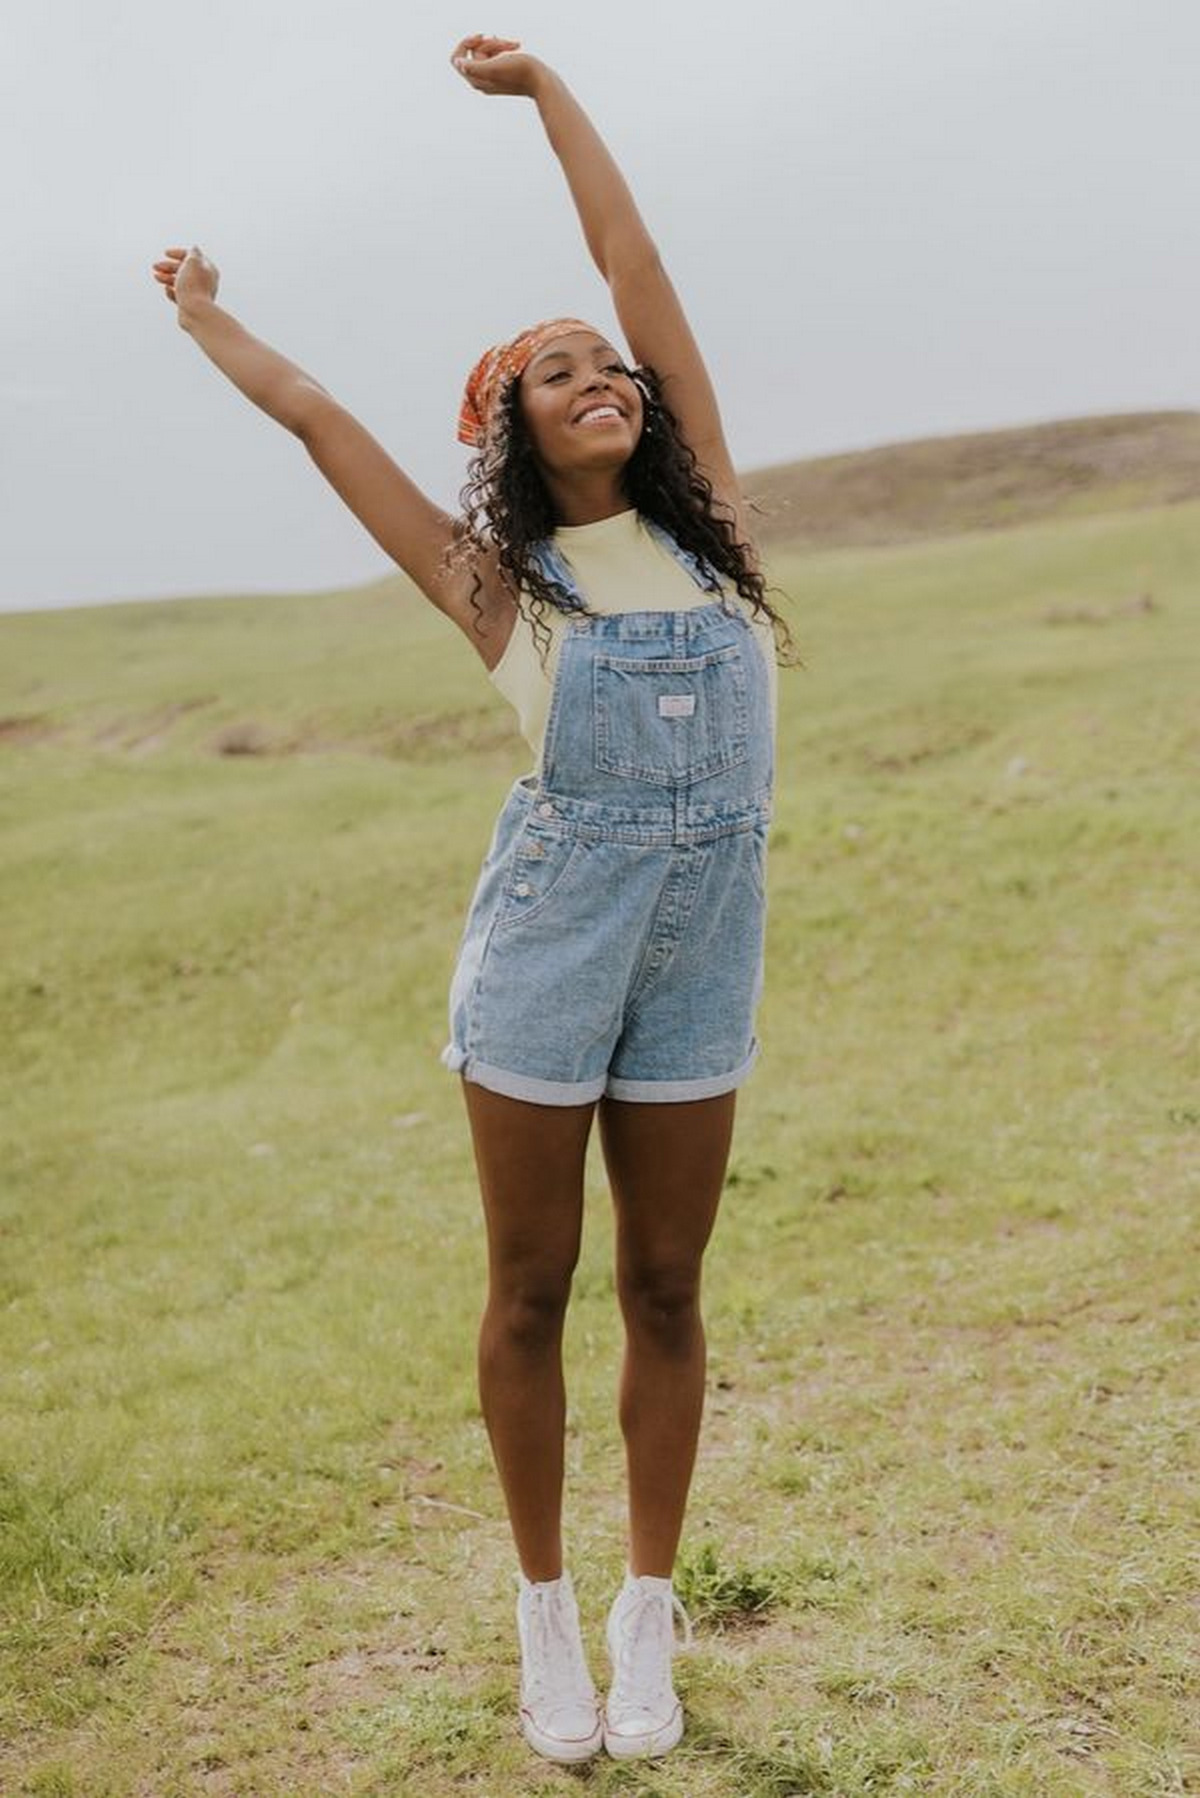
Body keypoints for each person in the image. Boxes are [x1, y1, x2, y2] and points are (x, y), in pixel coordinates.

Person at [151, 31, 796, 1766]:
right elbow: (321, 424)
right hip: (545, 955)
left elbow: (633, 260)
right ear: (510, 424)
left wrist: (550, 94)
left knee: (669, 1287)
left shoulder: (716, 529)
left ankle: (649, 1616)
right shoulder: (495, 585)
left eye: (617, 368)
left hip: (701, 951)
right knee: (533, 1284)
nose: (608, 372)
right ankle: (544, 1625)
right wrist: (208, 312)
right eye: (562, 370)